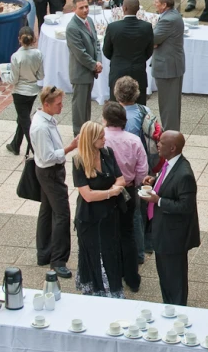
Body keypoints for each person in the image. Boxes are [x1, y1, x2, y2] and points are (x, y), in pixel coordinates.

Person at [140, 131, 200, 305]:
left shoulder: (185, 174)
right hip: (162, 230)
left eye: (161, 142)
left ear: (172, 148)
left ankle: (178, 308)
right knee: (165, 275)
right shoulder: (169, 165)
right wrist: (155, 180)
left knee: (175, 277)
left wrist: (158, 200)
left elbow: (185, 207)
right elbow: (167, 182)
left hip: (173, 236)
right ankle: (168, 305)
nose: (157, 144)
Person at [71, 121, 126, 297]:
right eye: (101, 137)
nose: (105, 139)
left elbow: (121, 179)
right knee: (94, 252)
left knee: (110, 251)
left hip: (109, 214)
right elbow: (87, 195)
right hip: (89, 218)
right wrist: (111, 192)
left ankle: (112, 289)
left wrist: (112, 189)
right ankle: (97, 290)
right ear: (91, 140)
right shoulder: (79, 161)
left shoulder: (107, 153)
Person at [30, 86, 79, 278]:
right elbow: (49, 156)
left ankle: (44, 253)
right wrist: (70, 147)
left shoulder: (44, 119)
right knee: (62, 214)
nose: (61, 107)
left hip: (46, 171)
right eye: (58, 104)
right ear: (46, 104)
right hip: (50, 172)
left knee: (47, 210)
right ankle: (58, 260)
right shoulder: (41, 127)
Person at [102, 102, 148, 292]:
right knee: (127, 233)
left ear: (105, 119)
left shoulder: (100, 138)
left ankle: (113, 275)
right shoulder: (133, 140)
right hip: (127, 190)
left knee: (108, 235)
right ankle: (132, 277)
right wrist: (134, 183)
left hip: (104, 192)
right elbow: (142, 169)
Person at [113, 77, 156, 260]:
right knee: (146, 206)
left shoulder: (119, 116)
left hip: (131, 171)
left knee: (135, 212)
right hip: (147, 165)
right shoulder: (144, 110)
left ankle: (137, 252)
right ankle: (147, 243)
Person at [103, 0, 154, 105]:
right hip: (138, 71)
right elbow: (149, 51)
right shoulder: (147, 27)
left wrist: (117, 59)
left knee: (116, 108)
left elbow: (106, 51)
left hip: (118, 71)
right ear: (138, 9)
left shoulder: (113, 27)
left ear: (124, 8)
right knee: (139, 106)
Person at [4, 26, 44, 156]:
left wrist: (2, 74)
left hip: (20, 92)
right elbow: (41, 76)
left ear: (19, 40)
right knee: (22, 118)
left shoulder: (16, 56)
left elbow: (13, 79)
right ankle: (15, 144)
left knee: (25, 121)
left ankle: (35, 151)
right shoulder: (38, 54)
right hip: (32, 91)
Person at [66, 0, 101, 136]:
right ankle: (78, 134)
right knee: (80, 107)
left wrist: (98, 61)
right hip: (80, 73)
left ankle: (86, 132)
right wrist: (94, 65)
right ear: (74, 9)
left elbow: (96, 43)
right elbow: (80, 53)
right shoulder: (72, 28)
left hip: (89, 71)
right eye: (81, 7)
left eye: (86, 6)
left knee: (86, 106)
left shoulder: (89, 21)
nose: (85, 10)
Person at [152, 0, 186, 131]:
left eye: (156, 1)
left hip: (167, 68)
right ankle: (172, 134)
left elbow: (152, 39)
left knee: (168, 106)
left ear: (164, 5)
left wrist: (154, 43)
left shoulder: (167, 20)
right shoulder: (173, 15)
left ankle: (170, 137)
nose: (155, 4)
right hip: (172, 66)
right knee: (171, 105)